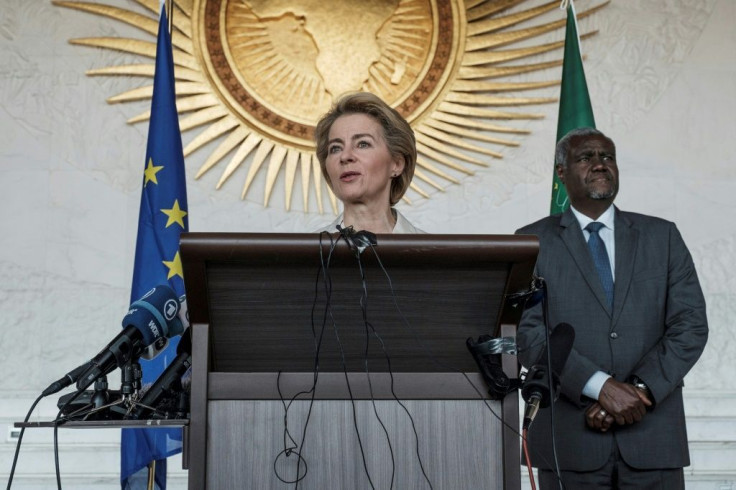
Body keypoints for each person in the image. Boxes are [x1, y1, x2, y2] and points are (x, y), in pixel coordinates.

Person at [516, 127, 708, 489]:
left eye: (607, 157)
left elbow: (690, 325)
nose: (600, 164)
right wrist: (599, 386)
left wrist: (637, 390)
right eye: (586, 157)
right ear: (561, 172)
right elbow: (528, 334)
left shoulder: (663, 237)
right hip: (570, 444)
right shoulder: (531, 242)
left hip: (653, 439)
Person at [314, 92, 423, 233]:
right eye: (335, 148)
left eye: (363, 144)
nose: (345, 156)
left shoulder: (436, 253)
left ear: (397, 164)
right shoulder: (302, 254)